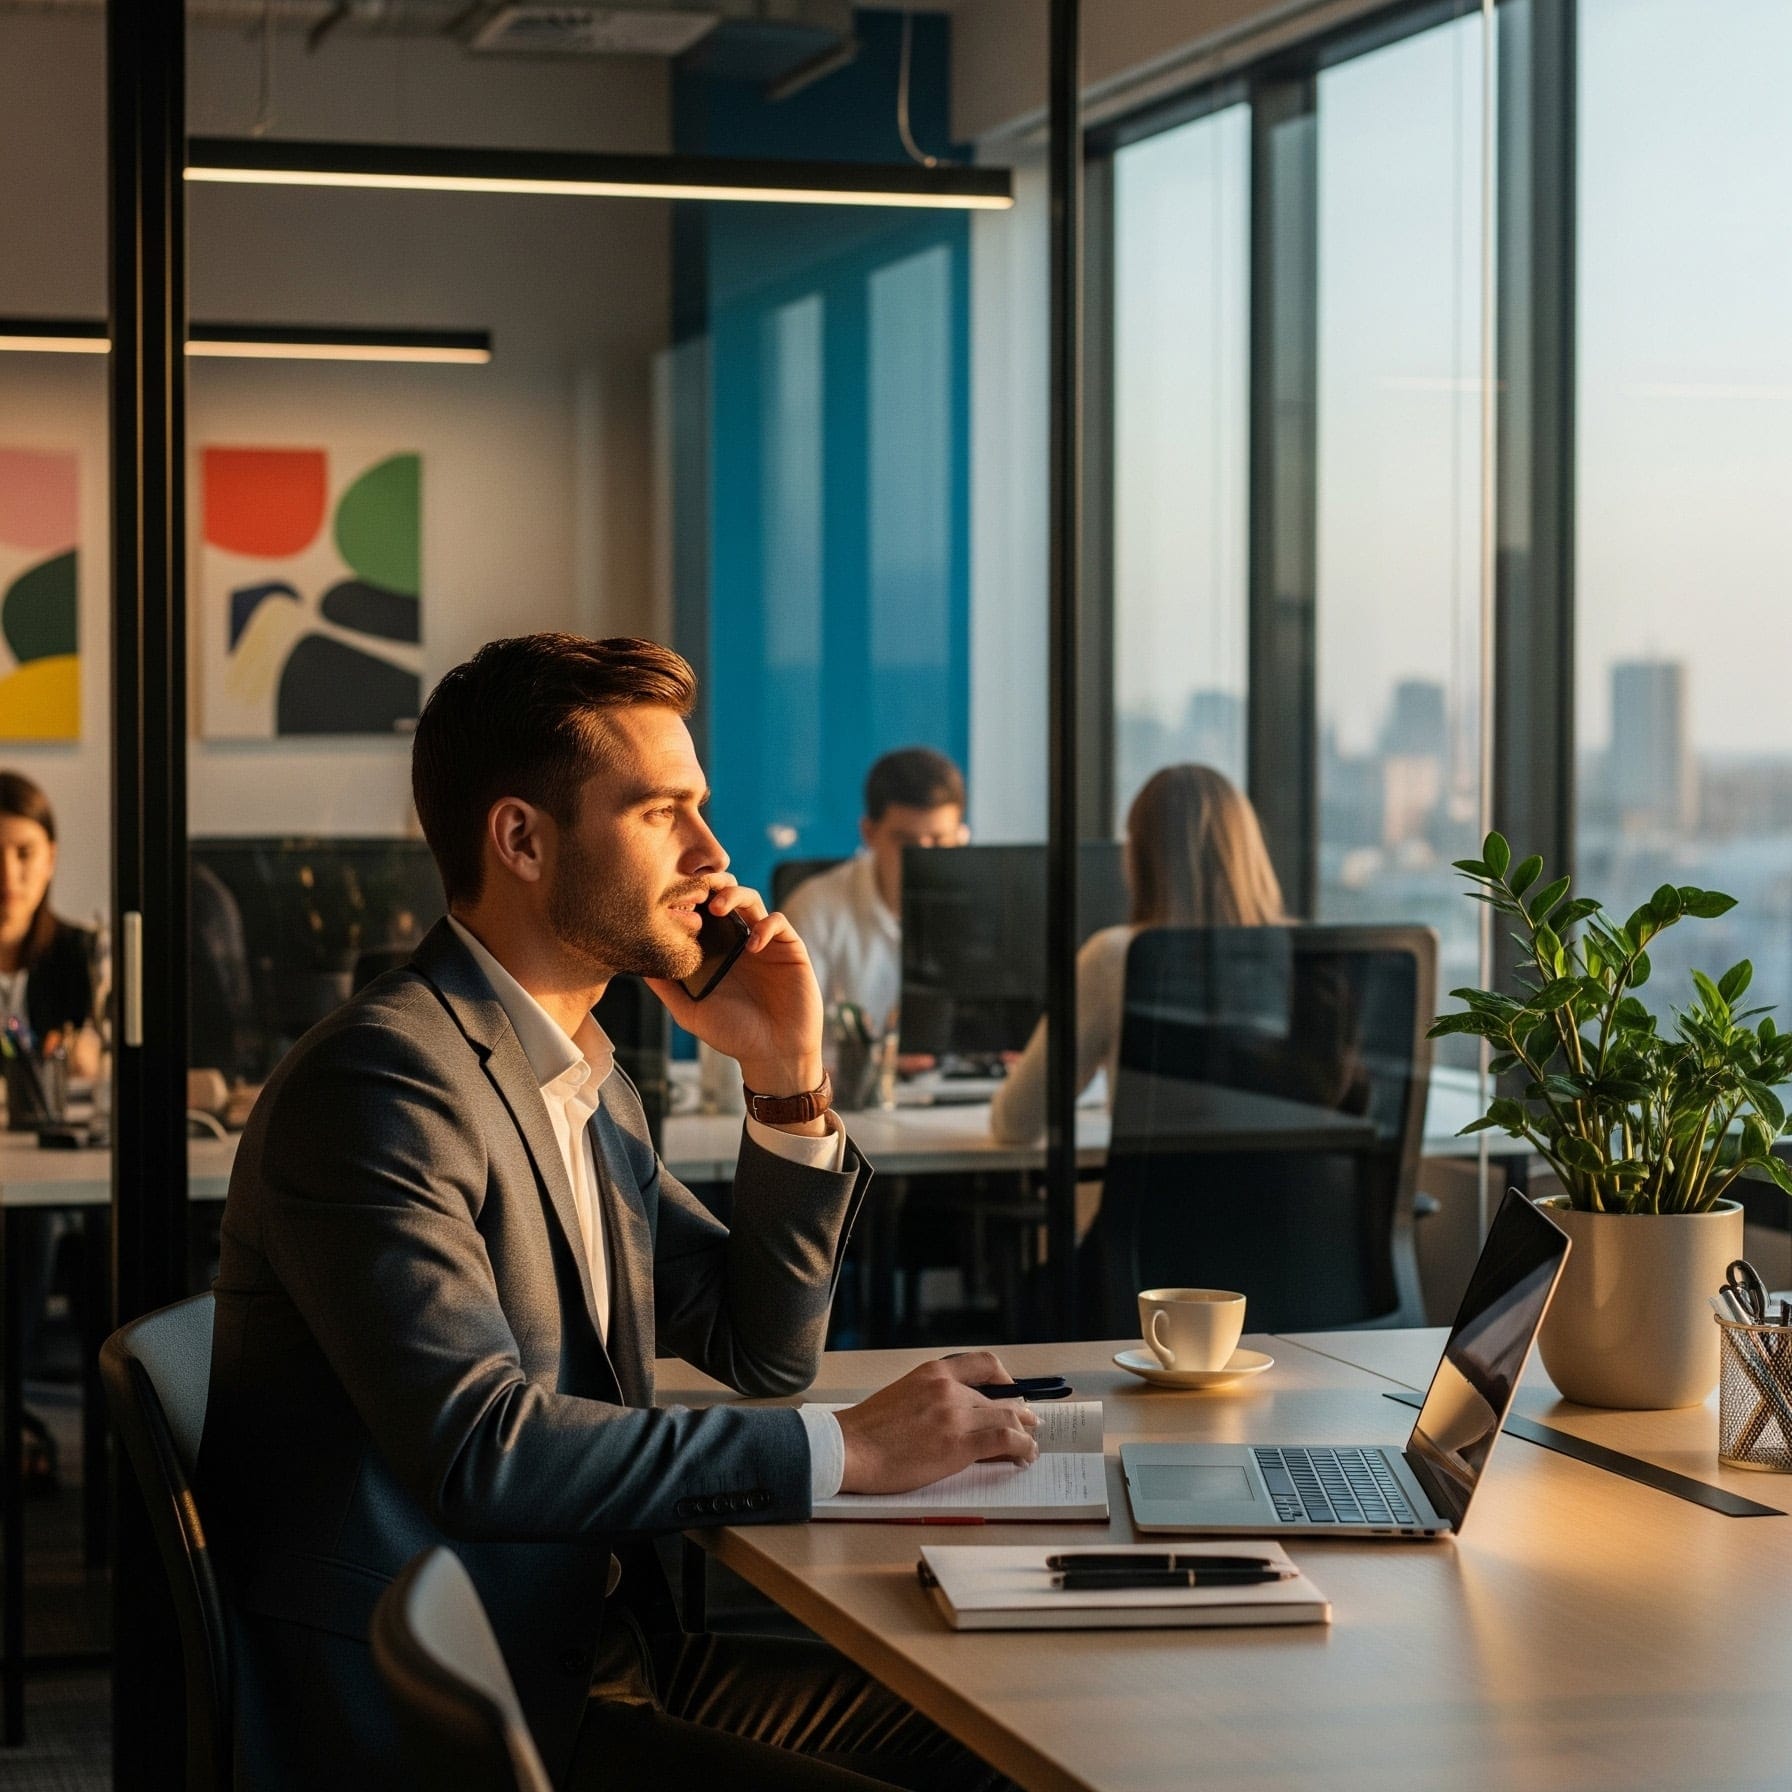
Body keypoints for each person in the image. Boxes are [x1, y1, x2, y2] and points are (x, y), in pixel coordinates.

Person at [198, 635, 1037, 1792]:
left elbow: (763, 1347)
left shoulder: (582, 1081)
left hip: (592, 1650)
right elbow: (485, 1451)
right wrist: (852, 1449)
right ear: (523, 840)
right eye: (662, 812)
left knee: (1002, 1740)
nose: (713, 851)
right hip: (460, 1708)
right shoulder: (384, 1085)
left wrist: (786, 1077)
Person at [989, 763, 1285, 1144]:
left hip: (1162, 1202)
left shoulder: (1118, 957)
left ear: (1139, 858)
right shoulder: (1311, 961)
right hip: (1296, 1202)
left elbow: (1016, 1123)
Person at [781, 746, 968, 1031]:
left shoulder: (994, 912)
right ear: (869, 834)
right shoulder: (813, 909)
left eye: (940, 840)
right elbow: (788, 1039)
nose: (923, 859)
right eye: (906, 842)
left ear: (962, 838)